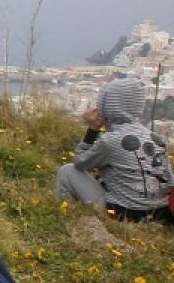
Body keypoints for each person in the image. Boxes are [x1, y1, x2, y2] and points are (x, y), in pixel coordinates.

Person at [55, 77, 172, 221]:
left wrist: (93, 129)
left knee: (67, 171)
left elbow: (80, 163)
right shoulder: (154, 137)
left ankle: (66, 215)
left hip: (124, 214)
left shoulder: (109, 141)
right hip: (160, 213)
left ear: (108, 106)